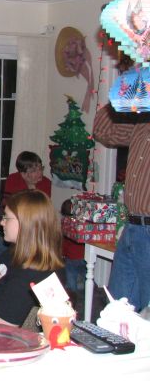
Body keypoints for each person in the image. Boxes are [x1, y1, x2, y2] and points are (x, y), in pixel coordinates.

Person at [0, 190, 65, 326]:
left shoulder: (31, 275)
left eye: (7, 217)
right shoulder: (16, 253)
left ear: (26, 223)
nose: (2, 222)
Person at [93, 103, 150, 312]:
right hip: (132, 226)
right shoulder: (142, 123)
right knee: (117, 311)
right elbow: (104, 130)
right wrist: (121, 96)